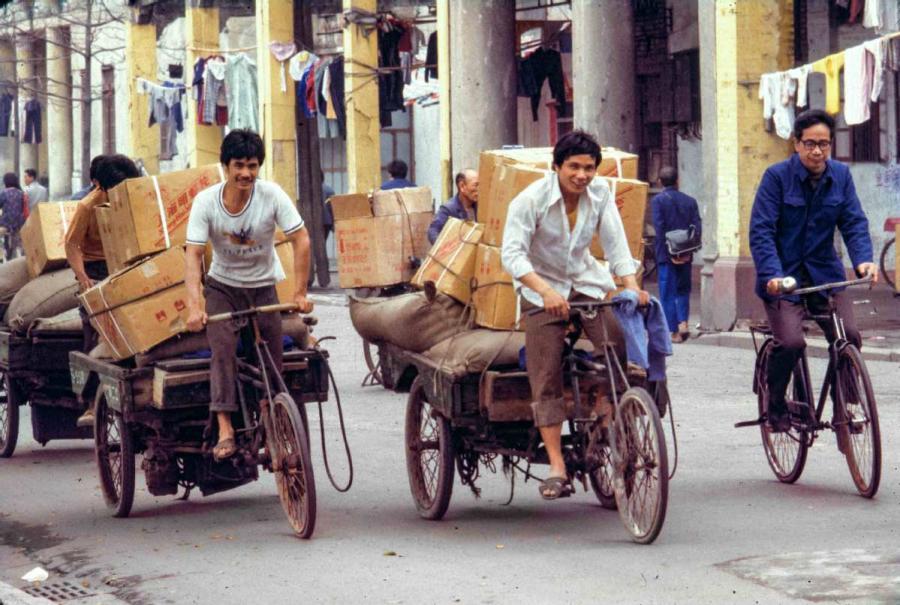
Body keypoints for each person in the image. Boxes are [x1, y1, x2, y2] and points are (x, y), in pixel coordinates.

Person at [501, 130, 647, 500]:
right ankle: (557, 467)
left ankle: (606, 415)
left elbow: (616, 245)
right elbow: (513, 256)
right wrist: (546, 292)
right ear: (557, 167)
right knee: (545, 371)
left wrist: (629, 285)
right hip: (541, 288)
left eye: (589, 168)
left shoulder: (599, 195)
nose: (582, 175)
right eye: (574, 167)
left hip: (585, 281)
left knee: (616, 344)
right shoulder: (530, 200)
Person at [184, 129, 313, 461]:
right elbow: (194, 255)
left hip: (263, 286)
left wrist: (299, 292)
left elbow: (302, 240)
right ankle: (225, 427)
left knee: (272, 355)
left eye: (252, 166)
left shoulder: (271, 195)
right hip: (222, 288)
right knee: (223, 349)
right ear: (225, 166)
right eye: (238, 165)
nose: (245, 173)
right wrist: (195, 308)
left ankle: (271, 418)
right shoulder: (206, 201)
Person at [749, 109, 877, 433]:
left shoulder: (841, 176)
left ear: (831, 145)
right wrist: (773, 276)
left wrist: (863, 259)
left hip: (825, 277)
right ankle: (775, 401)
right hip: (784, 278)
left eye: (823, 144)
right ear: (796, 144)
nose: (817, 151)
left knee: (849, 335)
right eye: (810, 143)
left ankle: (844, 404)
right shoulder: (776, 178)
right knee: (791, 342)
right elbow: (762, 232)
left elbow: (853, 221)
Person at [65, 154, 140, 427]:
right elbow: (71, 244)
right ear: (98, 184)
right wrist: (82, 277)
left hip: (123, 267)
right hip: (95, 271)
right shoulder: (86, 207)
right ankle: (89, 403)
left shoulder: (130, 195)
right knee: (95, 333)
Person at [650, 166, 701, 343]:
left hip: (666, 254)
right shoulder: (690, 201)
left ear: (660, 182)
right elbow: (697, 228)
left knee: (667, 292)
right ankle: (684, 323)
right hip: (685, 253)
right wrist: (688, 251)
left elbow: (659, 227)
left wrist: (669, 252)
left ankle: (673, 332)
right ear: (678, 180)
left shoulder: (658, 201)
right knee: (683, 290)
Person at [427, 169, 479, 243]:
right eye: (476, 185)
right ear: (462, 186)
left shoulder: (480, 207)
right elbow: (433, 231)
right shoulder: (448, 209)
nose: (479, 189)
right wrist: (444, 248)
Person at [0, 173, 27, 260]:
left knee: (4, 236)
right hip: (19, 224)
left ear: (5, 182)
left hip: (5, 224)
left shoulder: (3, 193)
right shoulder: (21, 193)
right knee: (16, 241)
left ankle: (5, 255)